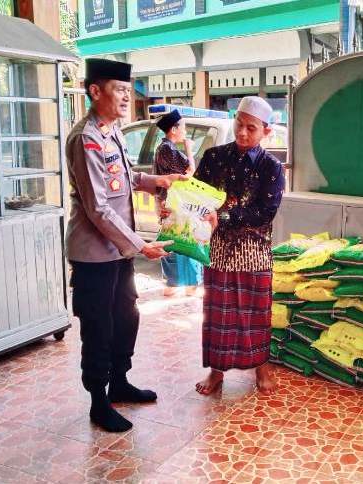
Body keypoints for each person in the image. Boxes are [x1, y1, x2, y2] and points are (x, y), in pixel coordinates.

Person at [65, 59, 186, 433]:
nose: (125, 98)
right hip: (94, 254)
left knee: (126, 316)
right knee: (99, 326)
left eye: (127, 91)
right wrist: (140, 245)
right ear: (95, 91)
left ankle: (119, 381)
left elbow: (125, 177)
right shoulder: (85, 139)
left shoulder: (112, 131)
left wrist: (158, 181)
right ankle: (98, 401)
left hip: (117, 251)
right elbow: (98, 207)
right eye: (118, 90)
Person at [193, 96, 285, 396]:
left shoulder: (272, 167)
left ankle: (262, 368)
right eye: (239, 124)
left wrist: (223, 216)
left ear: (266, 131)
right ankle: (216, 371)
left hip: (254, 250)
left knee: (256, 313)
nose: (242, 132)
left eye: (251, 128)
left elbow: (264, 213)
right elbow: (196, 194)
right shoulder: (214, 157)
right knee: (218, 314)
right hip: (218, 248)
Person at [154, 110, 203, 297]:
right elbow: (190, 172)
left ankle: (174, 284)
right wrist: (189, 148)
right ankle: (186, 285)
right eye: (183, 127)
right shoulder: (168, 149)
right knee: (184, 242)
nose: (185, 131)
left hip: (170, 202)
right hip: (175, 204)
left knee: (174, 241)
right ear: (173, 129)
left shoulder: (163, 148)